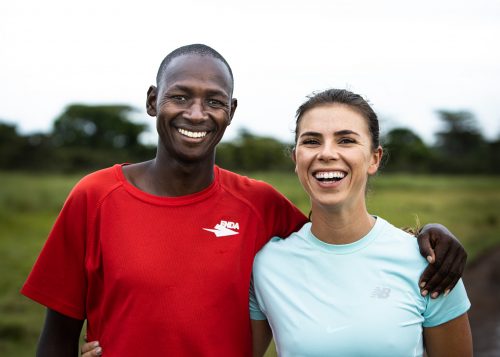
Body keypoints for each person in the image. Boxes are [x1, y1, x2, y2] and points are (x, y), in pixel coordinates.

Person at [22, 44, 466, 357]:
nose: (196, 114)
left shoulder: (260, 204)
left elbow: (336, 232)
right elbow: (57, 335)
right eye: (180, 96)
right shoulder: (95, 195)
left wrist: (427, 235)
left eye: (213, 101)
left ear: (230, 112)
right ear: (153, 101)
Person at [249, 88, 472, 356]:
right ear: (296, 158)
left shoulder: (431, 264)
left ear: (374, 159)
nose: (327, 153)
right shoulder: (267, 266)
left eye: (346, 141)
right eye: (311, 141)